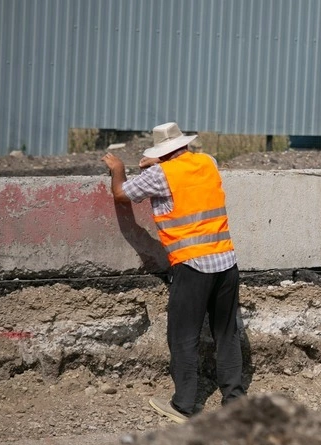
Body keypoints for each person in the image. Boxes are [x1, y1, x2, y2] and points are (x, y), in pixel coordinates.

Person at [102, 122, 246, 423]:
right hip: (226, 262)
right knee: (227, 334)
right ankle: (234, 402)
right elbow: (184, 170)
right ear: (182, 145)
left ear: (160, 152)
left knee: (183, 336)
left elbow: (121, 194)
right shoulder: (208, 162)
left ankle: (183, 405)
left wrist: (117, 167)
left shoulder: (159, 175)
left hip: (192, 265)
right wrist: (160, 161)